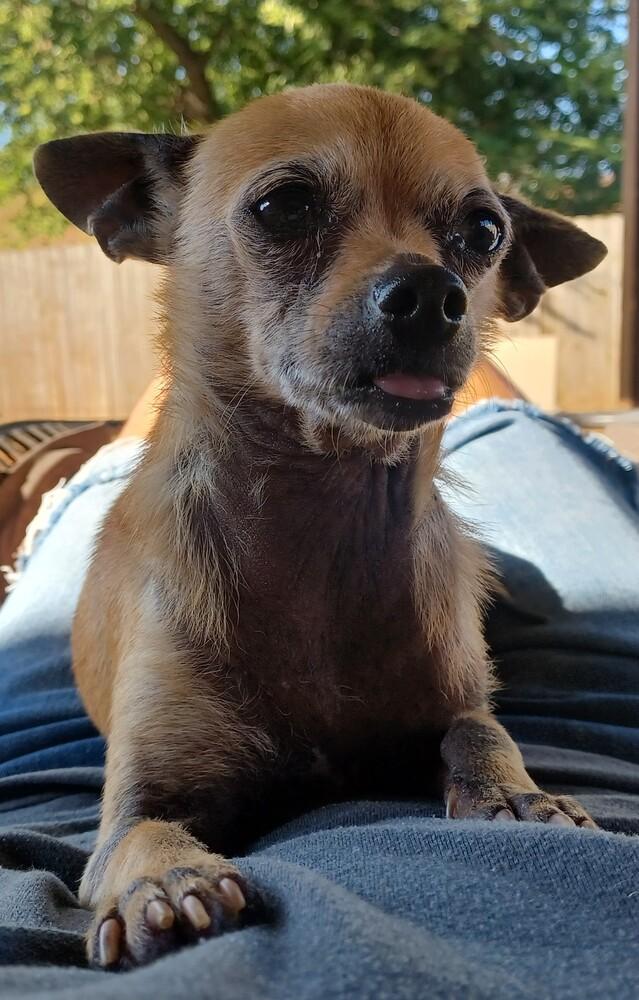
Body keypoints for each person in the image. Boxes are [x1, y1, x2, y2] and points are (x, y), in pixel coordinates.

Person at [0, 361, 637, 997]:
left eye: (475, 249)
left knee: (142, 439)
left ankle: (110, 458)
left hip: (40, 739)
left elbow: (122, 842)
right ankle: (503, 417)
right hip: (581, 681)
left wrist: (142, 861)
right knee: (509, 427)